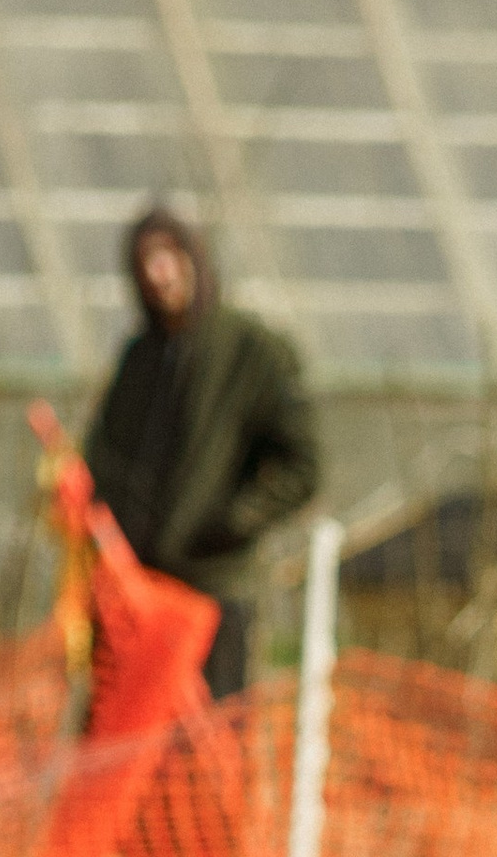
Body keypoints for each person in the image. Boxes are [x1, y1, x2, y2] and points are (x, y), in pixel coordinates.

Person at [82, 204, 319, 700]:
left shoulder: (253, 352)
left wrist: (231, 522)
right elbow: (104, 458)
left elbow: (302, 466)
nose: (158, 273)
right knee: (134, 742)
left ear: (194, 258)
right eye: (145, 262)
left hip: (215, 589)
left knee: (212, 740)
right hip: (138, 591)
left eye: (168, 256)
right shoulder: (139, 359)